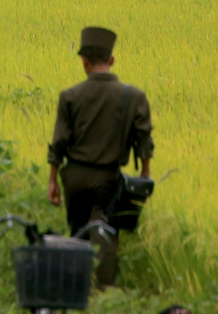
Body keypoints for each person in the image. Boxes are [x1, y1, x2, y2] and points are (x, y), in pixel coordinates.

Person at [47, 25, 153, 289]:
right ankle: (105, 294)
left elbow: (59, 141)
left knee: (78, 234)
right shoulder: (134, 97)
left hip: (74, 177)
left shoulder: (70, 96)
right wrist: (144, 174)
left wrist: (52, 180)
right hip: (107, 178)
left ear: (84, 62)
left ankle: (76, 290)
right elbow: (144, 140)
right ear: (112, 60)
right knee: (105, 234)